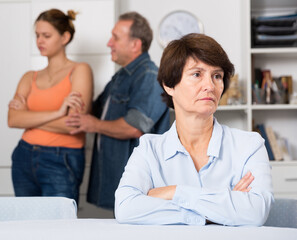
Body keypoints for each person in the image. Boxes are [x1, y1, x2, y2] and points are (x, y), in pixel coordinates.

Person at [115, 33, 274, 226]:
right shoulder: (149, 149)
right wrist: (219, 209)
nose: (210, 86)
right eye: (197, 74)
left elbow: (255, 212)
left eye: (217, 76)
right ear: (169, 85)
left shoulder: (249, 145)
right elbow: (125, 208)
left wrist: (174, 192)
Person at [65, 12, 170, 210]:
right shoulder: (120, 77)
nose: (109, 43)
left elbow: (133, 128)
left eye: (115, 37)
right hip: (116, 181)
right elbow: (93, 111)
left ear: (135, 45)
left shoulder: (149, 76)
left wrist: (93, 124)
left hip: (139, 185)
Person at [7, 8, 93, 204]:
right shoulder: (29, 77)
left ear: (65, 37)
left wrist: (28, 118)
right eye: (37, 35)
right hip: (23, 155)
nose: (39, 41)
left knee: (59, 228)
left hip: (61, 158)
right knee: (26, 227)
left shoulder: (80, 71)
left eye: (46, 35)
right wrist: (58, 112)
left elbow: (73, 124)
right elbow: (12, 120)